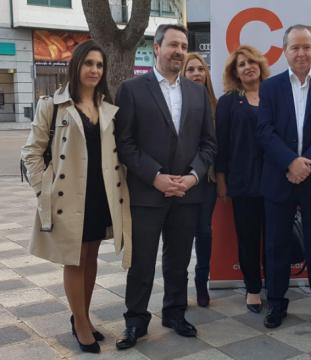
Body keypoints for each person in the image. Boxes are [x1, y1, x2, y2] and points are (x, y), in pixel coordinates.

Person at [21, 40, 132, 354]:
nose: (94, 70)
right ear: (76, 66)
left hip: (100, 195)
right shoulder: (53, 105)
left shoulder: (107, 108)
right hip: (68, 197)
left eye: (99, 65)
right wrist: (44, 190)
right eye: (89, 64)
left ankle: (82, 315)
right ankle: (81, 323)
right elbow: (32, 152)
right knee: (74, 259)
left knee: (91, 256)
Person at [114, 24, 216, 350]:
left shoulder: (198, 92)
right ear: (157, 48)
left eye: (183, 45)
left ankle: (174, 312)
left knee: (178, 260)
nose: (179, 51)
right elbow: (125, 143)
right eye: (173, 44)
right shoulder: (132, 89)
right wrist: (155, 176)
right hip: (146, 192)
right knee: (142, 261)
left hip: (187, 192)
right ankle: (135, 321)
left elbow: (208, 145)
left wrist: (193, 177)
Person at [257, 25, 311, 330]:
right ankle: (277, 305)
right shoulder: (270, 87)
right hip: (279, 178)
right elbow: (264, 131)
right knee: (276, 246)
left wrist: (305, 163)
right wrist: (290, 162)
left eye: (306, 47)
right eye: (294, 47)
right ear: (285, 51)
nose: (301, 53)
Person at [215, 45, 270, 313]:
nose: (248, 66)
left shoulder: (275, 95)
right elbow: (221, 145)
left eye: (251, 61)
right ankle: (252, 289)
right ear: (235, 72)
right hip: (243, 181)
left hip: (275, 182)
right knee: (248, 238)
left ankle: (275, 282)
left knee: (275, 238)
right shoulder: (228, 102)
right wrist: (222, 181)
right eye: (241, 64)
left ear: (260, 64)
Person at [181, 53, 217, 307]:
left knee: (204, 232)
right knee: (180, 236)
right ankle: (177, 288)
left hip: (208, 181)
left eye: (200, 69)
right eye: (191, 69)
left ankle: (201, 283)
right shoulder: (175, 101)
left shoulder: (216, 104)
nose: (196, 73)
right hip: (180, 180)